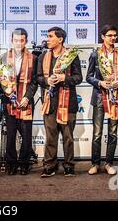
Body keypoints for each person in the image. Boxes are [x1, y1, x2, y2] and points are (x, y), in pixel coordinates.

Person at [37, 27, 82, 177]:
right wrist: (46, 80)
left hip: (68, 103)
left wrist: (64, 78)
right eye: (47, 36)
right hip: (49, 102)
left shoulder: (71, 55)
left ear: (60, 39)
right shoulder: (43, 56)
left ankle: (69, 166)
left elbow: (78, 78)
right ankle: (50, 166)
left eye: (50, 37)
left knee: (68, 137)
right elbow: (37, 78)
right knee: (50, 136)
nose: (47, 39)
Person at [0, 28, 38, 176]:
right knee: (11, 134)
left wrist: (27, 97)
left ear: (25, 41)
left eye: (22, 40)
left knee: (26, 135)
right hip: (10, 102)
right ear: (12, 41)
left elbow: (35, 82)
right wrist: (9, 94)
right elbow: (1, 80)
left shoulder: (33, 58)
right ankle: (11, 163)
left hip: (26, 102)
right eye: (16, 40)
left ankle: (24, 163)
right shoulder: (4, 57)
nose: (19, 43)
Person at [86, 25, 118, 175]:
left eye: (115, 35)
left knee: (113, 133)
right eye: (110, 35)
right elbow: (88, 76)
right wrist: (100, 83)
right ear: (103, 37)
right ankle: (95, 164)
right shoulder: (95, 54)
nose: (113, 38)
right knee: (97, 133)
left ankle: (109, 163)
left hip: (115, 97)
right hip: (99, 96)